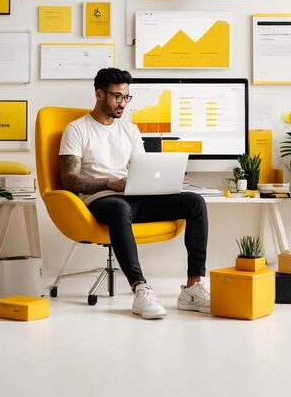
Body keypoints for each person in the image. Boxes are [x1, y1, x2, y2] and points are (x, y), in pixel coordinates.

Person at [59, 67, 210, 319]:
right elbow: (70, 179)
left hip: (133, 198)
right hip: (101, 201)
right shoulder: (76, 130)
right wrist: (110, 183)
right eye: (117, 96)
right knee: (120, 207)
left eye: (127, 97)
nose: (123, 103)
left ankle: (193, 288)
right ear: (98, 94)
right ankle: (140, 289)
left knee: (194, 202)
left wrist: (157, 183)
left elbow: (143, 169)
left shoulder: (130, 130)